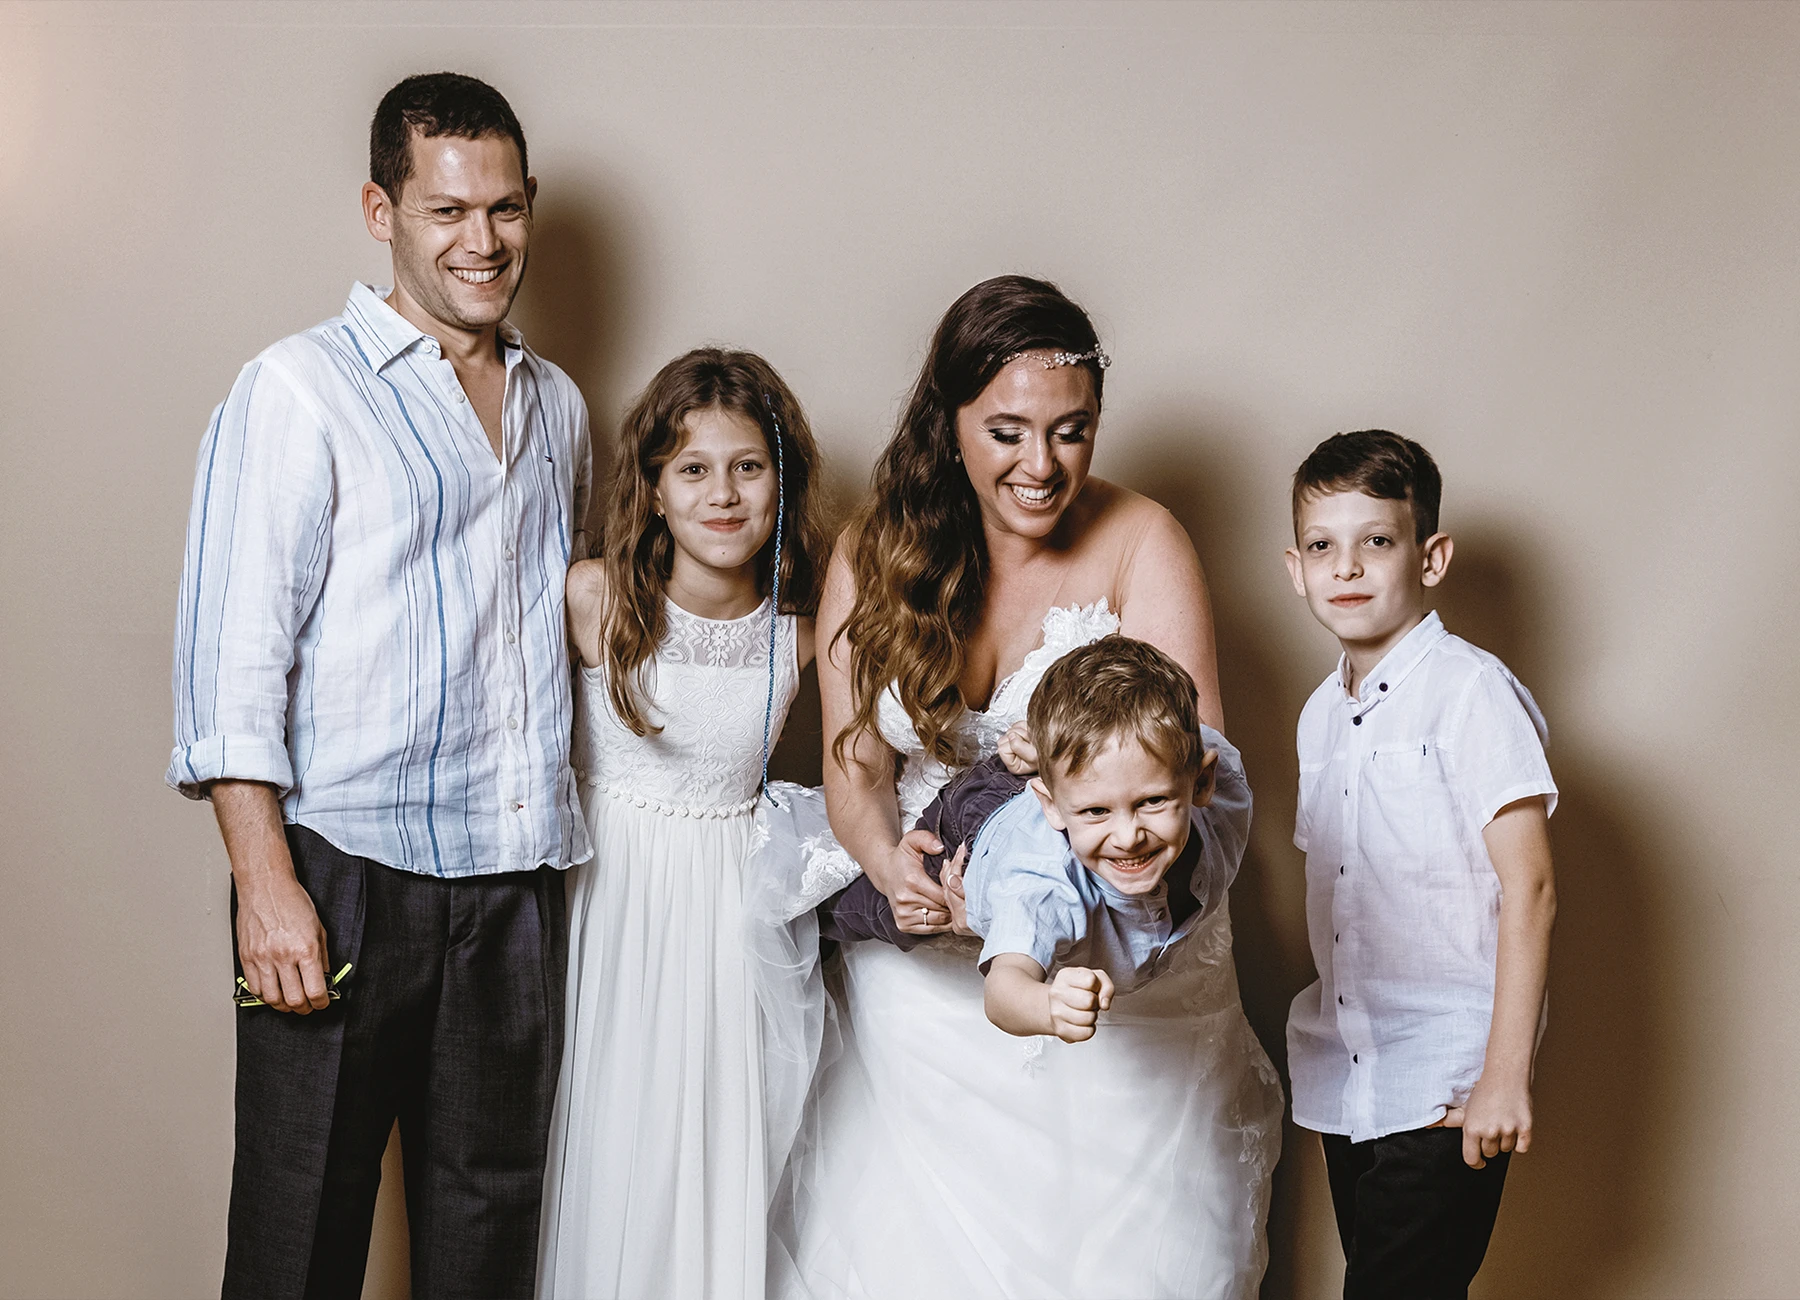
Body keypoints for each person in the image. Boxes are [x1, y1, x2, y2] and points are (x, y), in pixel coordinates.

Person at [773, 275, 1281, 1299]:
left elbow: (1201, 776)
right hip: (927, 956)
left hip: (1121, 949)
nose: (1041, 466)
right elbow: (853, 768)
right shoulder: (878, 550)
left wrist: (1050, 908)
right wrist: (895, 866)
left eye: (1072, 431)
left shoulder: (1144, 539)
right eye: (1007, 432)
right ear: (949, 421)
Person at [167, 73, 589, 1299]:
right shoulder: (297, 389)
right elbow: (231, 661)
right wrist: (265, 889)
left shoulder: (560, 406)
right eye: (448, 210)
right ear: (381, 209)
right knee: (299, 1241)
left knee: (490, 1241)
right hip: (343, 876)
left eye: (505, 209)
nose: (482, 241)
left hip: (513, 884)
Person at [536, 349, 828, 1300]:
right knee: (611, 1128)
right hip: (610, 897)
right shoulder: (593, 600)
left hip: (726, 912)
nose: (724, 495)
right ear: (653, 487)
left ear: (781, 481)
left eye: (749, 466)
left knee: (710, 1136)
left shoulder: (804, 630)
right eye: (693, 469)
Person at [1281, 430, 1559, 1299]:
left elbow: (1534, 887)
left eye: (1378, 541)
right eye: (1324, 546)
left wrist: (1503, 1078)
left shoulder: (1470, 691)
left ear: (1430, 556)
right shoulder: (1320, 715)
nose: (1348, 567)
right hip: (1347, 1072)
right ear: (1295, 568)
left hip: (1447, 1079)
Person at [822, 635, 1252, 1046]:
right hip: (975, 823)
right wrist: (1047, 1005)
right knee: (895, 907)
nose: (1128, 837)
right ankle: (817, 916)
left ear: (1201, 782)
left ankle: (1049, 763)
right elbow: (1004, 992)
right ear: (1050, 805)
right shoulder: (1041, 883)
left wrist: (1052, 750)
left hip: (1056, 780)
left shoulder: (1225, 790)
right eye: (1096, 812)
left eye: (1153, 801)